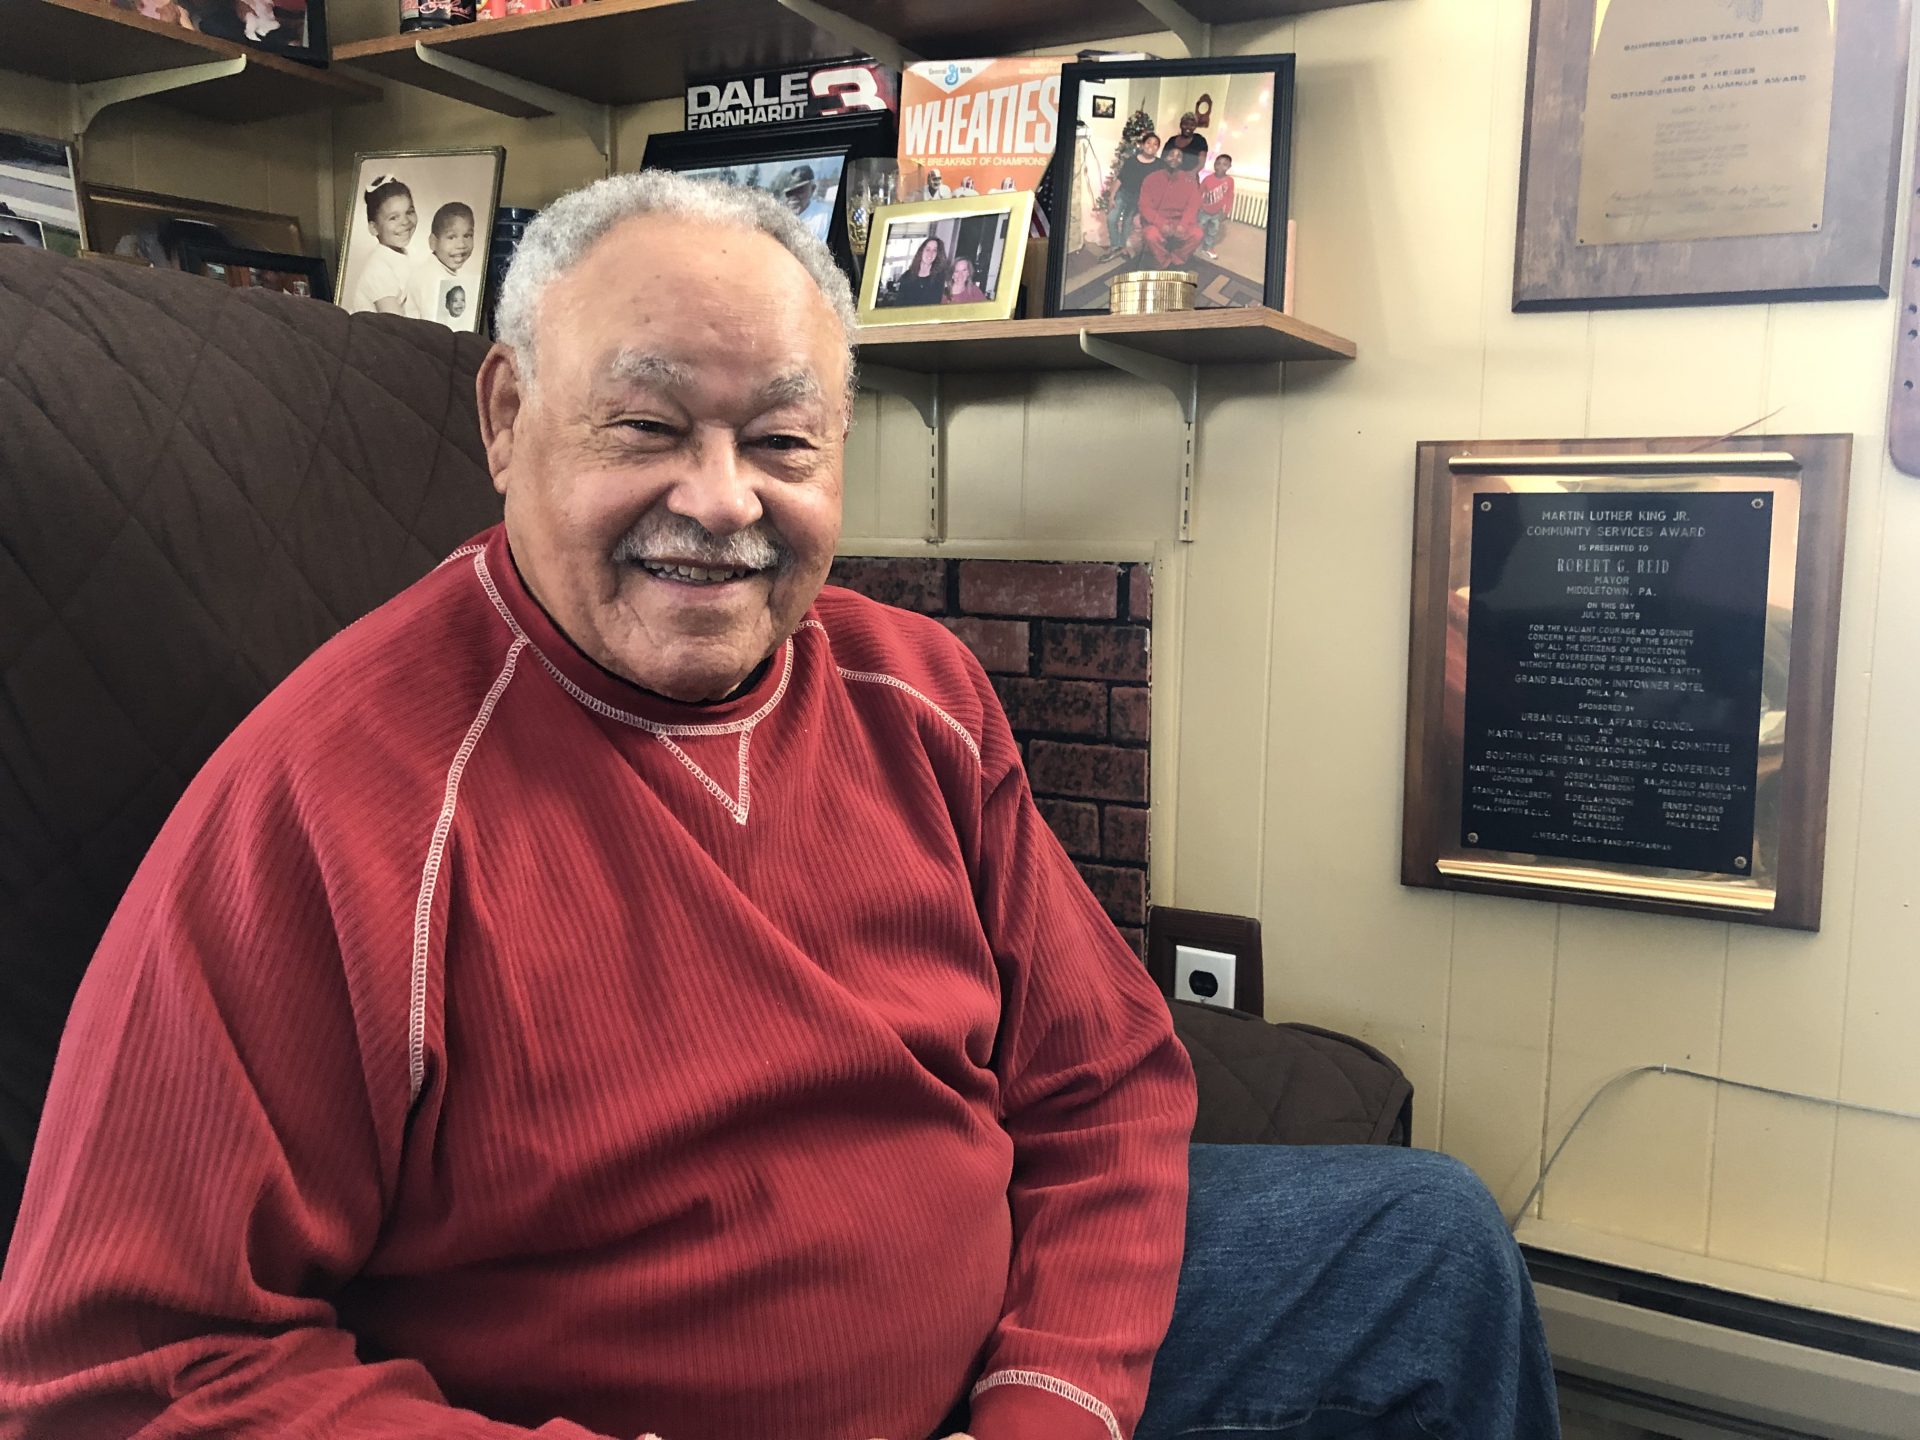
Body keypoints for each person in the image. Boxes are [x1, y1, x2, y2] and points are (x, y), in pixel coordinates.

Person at [0, 171, 1561, 1440]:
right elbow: (122, 1367)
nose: (722, 499)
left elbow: (1104, 1085)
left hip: (990, 1349)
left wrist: (1051, 1403)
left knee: (1430, 1247)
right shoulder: (328, 801)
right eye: (646, 426)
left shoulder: (919, 692)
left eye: (782, 442)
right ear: (505, 418)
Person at [349, 174, 418, 317]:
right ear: (374, 228)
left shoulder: (398, 256)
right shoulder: (378, 268)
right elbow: (394, 321)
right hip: (381, 330)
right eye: (393, 218)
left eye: (409, 212)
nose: (405, 221)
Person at [410, 200, 478, 329]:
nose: (461, 245)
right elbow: (435, 329)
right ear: (433, 242)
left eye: (467, 236)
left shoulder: (443, 270)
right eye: (451, 237)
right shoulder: (431, 277)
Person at [1136, 147, 1204, 268]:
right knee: (1150, 235)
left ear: (1182, 161)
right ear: (1164, 158)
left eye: (1179, 156)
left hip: (1180, 222)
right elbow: (1144, 206)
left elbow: (1193, 206)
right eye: (1171, 155)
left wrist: (1183, 225)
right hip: (1157, 222)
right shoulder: (1151, 178)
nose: (1175, 158)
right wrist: (1161, 224)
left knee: (1198, 234)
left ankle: (1177, 259)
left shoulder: (1190, 181)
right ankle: (1164, 261)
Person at [1102, 131, 1160, 260]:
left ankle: (1121, 247)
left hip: (1138, 199)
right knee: (1111, 219)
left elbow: (1159, 186)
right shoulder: (1131, 161)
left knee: (1127, 223)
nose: (1151, 146)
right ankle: (1116, 246)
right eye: (1148, 142)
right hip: (1123, 194)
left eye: (1155, 144)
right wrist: (1112, 197)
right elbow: (1120, 179)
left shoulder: (1159, 165)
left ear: (1158, 148)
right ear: (1142, 145)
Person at [775, 164, 834, 241]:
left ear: (812, 189)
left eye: (800, 190)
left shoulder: (825, 217)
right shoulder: (777, 218)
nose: (793, 197)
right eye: (789, 192)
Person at [889, 233, 948, 306]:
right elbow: (898, 304)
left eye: (934, 250)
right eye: (928, 249)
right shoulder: (907, 276)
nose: (930, 253)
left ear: (937, 254)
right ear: (921, 251)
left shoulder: (940, 278)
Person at [1197, 152, 1235, 261]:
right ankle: (1194, 244)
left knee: (1212, 232)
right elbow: (1199, 193)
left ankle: (1207, 248)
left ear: (1229, 167)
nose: (1220, 167)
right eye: (1218, 163)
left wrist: (1226, 211)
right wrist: (1198, 207)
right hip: (1204, 211)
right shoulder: (1207, 179)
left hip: (1217, 213)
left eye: (1224, 164)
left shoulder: (1230, 181)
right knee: (1199, 229)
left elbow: (1229, 197)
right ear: (1214, 164)